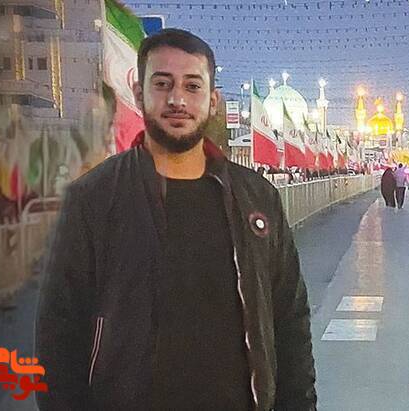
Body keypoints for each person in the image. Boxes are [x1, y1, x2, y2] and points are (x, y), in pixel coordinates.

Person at [35, 29, 316, 410]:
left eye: (192, 86)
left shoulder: (257, 198)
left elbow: (289, 320)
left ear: (213, 101)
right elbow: (58, 336)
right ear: (139, 94)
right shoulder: (93, 200)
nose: (177, 99)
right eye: (162, 84)